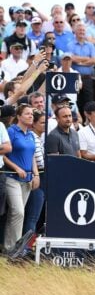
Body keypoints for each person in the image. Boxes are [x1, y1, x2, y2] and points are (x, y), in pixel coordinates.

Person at [3, 105, 38, 250]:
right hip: (12, 177)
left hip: (27, 179)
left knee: (18, 215)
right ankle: (12, 248)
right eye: (27, 114)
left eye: (32, 114)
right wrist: (16, 168)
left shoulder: (30, 134)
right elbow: (3, 154)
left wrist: (35, 174)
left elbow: (32, 156)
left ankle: (12, 247)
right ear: (19, 116)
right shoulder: (11, 131)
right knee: (18, 212)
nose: (31, 116)